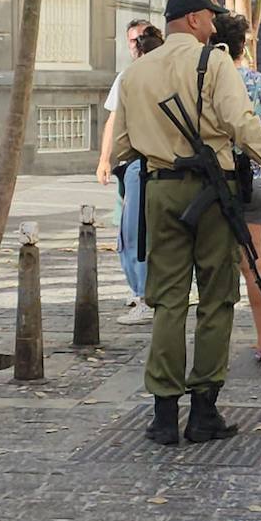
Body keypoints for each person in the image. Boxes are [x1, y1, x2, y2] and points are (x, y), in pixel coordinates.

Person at [113, 0, 261, 447]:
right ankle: (203, 412)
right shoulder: (212, 61)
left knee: (168, 300)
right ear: (194, 19)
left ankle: (162, 415)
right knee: (216, 298)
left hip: (159, 190)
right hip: (212, 190)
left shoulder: (135, 72)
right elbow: (242, 123)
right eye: (211, 18)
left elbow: (120, 146)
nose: (215, 26)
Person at [212, 13, 261, 366]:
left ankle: (214, 346)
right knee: (256, 263)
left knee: (214, 263)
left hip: (215, 184)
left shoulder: (206, 81)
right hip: (253, 180)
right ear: (243, 46)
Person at [98, 19, 153, 324]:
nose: (136, 45)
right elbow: (113, 119)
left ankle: (146, 294)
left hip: (146, 164)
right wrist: (105, 159)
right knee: (126, 231)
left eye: (141, 39)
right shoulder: (126, 77)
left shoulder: (156, 74)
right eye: (132, 40)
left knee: (139, 231)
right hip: (129, 165)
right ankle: (139, 289)